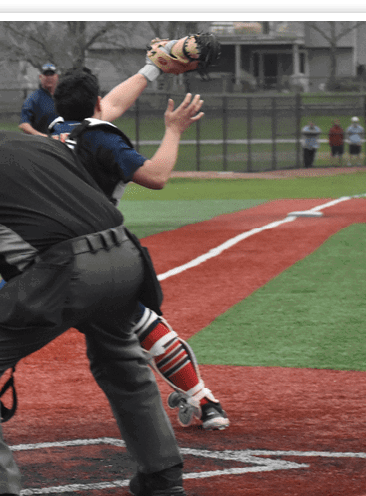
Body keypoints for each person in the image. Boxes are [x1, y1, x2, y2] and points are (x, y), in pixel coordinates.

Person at [0, 90, 188, 496]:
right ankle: (162, 474)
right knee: (119, 354)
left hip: (67, 269)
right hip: (127, 255)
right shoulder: (44, 142)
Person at [46, 67, 229, 431]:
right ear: (95, 102)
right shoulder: (103, 141)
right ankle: (203, 400)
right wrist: (174, 130)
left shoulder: (56, 130)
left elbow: (111, 103)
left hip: (48, 255)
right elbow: (156, 176)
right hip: (96, 254)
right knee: (143, 321)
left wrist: (152, 68)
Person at [18, 63, 59, 137]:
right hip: (43, 143)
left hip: (62, 142)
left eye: (51, 74)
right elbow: (23, 124)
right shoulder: (33, 98)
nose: (49, 77)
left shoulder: (63, 96)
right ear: (40, 77)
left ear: (56, 77)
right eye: (46, 75)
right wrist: (44, 137)